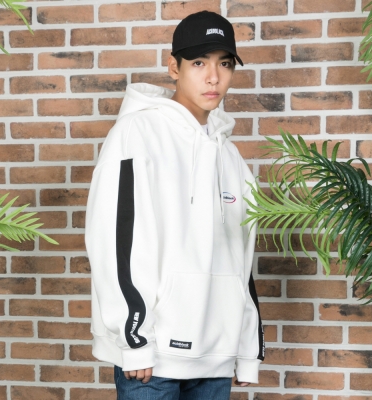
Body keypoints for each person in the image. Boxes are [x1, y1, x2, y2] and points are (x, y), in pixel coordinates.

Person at [85, 10, 265, 400]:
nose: (213, 77)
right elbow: (115, 240)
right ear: (174, 68)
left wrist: (247, 349)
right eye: (199, 62)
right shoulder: (137, 133)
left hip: (215, 359)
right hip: (152, 359)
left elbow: (241, 258)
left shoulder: (231, 157)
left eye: (225, 64)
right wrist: (134, 338)